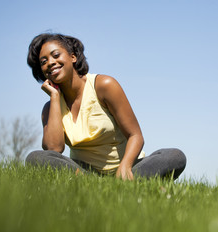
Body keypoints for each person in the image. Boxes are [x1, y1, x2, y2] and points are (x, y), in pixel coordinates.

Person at [25, 33, 186, 180]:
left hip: (128, 166)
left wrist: (125, 166)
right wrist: (54, 97)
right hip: (84, 172)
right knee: (35, 158)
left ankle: (123, 181)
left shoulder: (104, 85)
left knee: (174, 156)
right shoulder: (50, 109)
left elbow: (135, 135)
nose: (50, 63)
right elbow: (53, 150)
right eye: (43, 62)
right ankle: (92, 184)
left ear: (73, 57)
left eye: (55, 55)